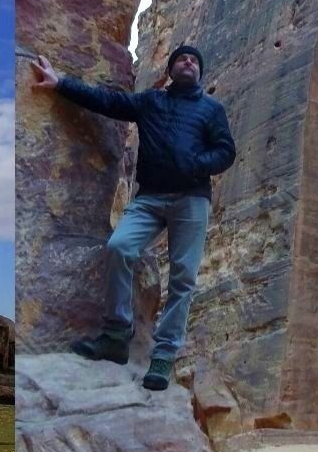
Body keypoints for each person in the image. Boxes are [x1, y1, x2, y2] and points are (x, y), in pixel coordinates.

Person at [29, 46, 236, 390]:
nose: (189, 62)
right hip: (150, 198)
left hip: (191, 201)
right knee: (119, 247)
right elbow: (108, 102)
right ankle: (115, 336)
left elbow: (225, 151)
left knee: (183, 277)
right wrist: (61, 83)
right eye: (183, 58)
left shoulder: (211, 109)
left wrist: (197, 165)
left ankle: (163, 356)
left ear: (199, 72)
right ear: (171, 69)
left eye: (195, 60)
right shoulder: (150, 102)